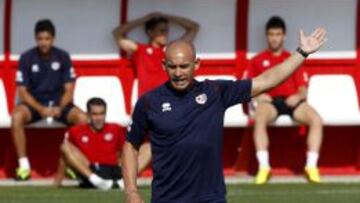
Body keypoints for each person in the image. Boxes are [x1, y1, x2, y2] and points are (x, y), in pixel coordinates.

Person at [122, 26, 327, 203]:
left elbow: (266, 81)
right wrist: (131, 191)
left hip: (211, 198)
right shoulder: (149, 102)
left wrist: (302, 52)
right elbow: (131, 145)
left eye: (184, 66)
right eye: (172, 67)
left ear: (197, 64)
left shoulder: (215, 92)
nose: (178, 73)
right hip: (166, 198)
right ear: (163, 66)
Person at [244, 16, 323, 184]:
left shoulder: (294, 57)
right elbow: (248, 87)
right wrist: (258, 95)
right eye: (271, 34)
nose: (274, 38)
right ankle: (264, 168)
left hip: (292, 102)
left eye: (278, 34)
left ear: (284, 36)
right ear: (267, 36)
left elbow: (303, 88)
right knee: (259, 117)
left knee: (316, 119)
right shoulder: (256, 60)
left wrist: (298, 96)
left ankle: (311, 167)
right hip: (270, 103)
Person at [11, 19, 87, 181]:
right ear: (35, 38)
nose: (43, 43)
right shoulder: (26, 58)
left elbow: (69, 89)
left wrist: (60, 106)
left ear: (53, 39)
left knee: (82, 118)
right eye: (40, 39)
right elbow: (23, 92)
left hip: (59, 104)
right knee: (16, 117)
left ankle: (74, 163)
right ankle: (24, 167)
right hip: (35, 104)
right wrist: (40, 109)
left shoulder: (63, 56)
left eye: (47, 39)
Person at [53, 97, 151, 190]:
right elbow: (65, 157)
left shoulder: (116, 129)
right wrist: (58, 182)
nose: (98, 118)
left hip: (115, 170)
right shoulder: (75, 131)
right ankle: (97, 181)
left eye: (101, 114)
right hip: (91, 170)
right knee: (65, 146)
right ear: (88, 115)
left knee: (148, 147)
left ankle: (125, 181)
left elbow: (125, 151)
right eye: (95, 114)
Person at [113, 12, 199, 96]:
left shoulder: (171, 50)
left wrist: (167, 16)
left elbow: (194, 27)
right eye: (162, 31)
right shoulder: (141, 50)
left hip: (169, 98)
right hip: (147, 101)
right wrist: (145, 18)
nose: (165, 34)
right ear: (150, 32)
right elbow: (117, 33)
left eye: (166, 31)